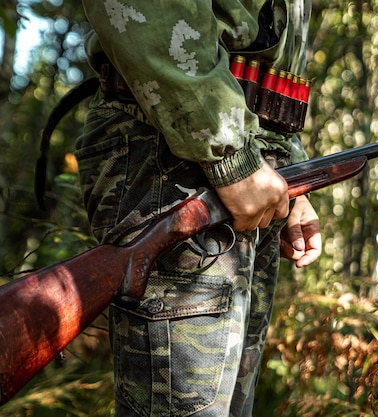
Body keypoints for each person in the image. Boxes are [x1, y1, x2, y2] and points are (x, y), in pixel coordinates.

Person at [75, 1, 321, 416]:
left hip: (244, 157)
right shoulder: (219, 148)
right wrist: (229, 153)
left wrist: (289, 174)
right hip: (178, 148)